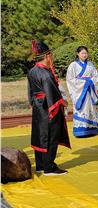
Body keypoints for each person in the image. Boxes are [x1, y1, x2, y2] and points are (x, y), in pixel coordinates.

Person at [28, 40, 71, 175]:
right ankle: (49, 167)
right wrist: (64, 103)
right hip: (48, 108)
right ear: (47, 56)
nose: (52, 57)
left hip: (38, 107)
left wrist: (33, 103)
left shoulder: (32, 71)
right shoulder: (46, 74)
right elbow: (53, 93)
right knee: (51, 135)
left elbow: (30, 91)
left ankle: (40, 165)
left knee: (40, 134)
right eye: (51, 55)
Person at [66, 45, 98, 137]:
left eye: (86, 53)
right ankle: (81, 130)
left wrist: (90, 81)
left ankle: (91, 129)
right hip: (79, 91)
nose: (84, 55)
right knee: (82, 109)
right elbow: (70, 80)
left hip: (90, 91)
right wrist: (85, 82)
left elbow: (96, 77)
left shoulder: (90, 65)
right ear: (77, 54)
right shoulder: (73, 65)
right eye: (82, 53)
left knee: (91, 108)